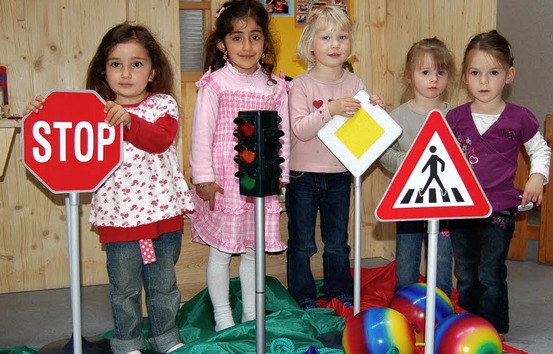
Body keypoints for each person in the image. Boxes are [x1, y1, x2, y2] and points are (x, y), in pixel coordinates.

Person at [24, 23, 194, 354]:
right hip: (118, 220)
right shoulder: (94, 109)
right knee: (124, 289)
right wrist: (38, 115)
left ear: (153, 69)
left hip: (163, 217)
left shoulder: (162, 105)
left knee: (163, 287)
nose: (126, 73)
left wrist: (129, 121)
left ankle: (166, 337)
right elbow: (64, 134)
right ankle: (128, 342)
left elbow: (159, 140)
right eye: (116, 63)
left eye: (137, 63)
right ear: (104, 69)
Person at [188, 0, 290, 332]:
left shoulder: (275, 86)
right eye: (237, 37)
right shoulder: (215, 83)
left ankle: (250, 313)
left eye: (255, 37)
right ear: (222, 44)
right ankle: (222, 315)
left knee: (252, 249)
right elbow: (201, 133)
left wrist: (281, 177)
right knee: (220, 252)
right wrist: (203, 178)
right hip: (225, 184)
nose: (246, 46)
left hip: (260, 183)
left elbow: (283, 134)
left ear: (265, 42)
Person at [445, 29, 551, 339]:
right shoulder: (455, 118)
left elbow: (540, 149)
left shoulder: (520, 118)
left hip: (500, 211)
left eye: (493, 72)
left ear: (509, 75)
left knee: (489, 272)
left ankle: (493, 328)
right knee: (465, 273)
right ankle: (466, 325)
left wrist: (536, 176)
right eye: (476, 73)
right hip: (462, 208)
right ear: (465, 77)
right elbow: (441, 158)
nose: (483, 81)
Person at [286, 5, 385, 310]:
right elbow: (300, 130)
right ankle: (302, 296)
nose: (335, 44)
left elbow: (363, 133)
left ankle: (340, 292)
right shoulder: (301, 84)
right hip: (303, 175)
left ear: (350, 45)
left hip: (341, 175)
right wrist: (329, 109)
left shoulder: (355, 84)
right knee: (302, 244)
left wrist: (374, 111)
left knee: (338, 244)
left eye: (342, 37)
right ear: (309, 45)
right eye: (326, 37)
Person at [378, 37, 456, 297]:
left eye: (440, 72)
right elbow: (384, 153)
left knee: (442, 257)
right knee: (407, 255)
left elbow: (463, 153)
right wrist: (404, 162)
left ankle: (442, 302)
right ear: (409, 76)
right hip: (409, 200)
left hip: (444, 201)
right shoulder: (398, 116)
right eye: (425, 72)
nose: (434, 79)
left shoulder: (454, 116)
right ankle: (405, 301)